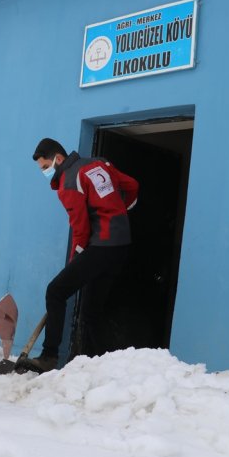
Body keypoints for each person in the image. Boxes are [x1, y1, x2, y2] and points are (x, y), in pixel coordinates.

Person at [28, 138, 139, 373]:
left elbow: (80, 229)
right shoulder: (101, 164)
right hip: (120, 246)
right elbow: (132, 186)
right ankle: (101, 366)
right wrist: (119, 211)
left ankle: (49, 357)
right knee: (91, 311)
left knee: (56, 291)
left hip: (100, 247)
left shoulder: (69, 181)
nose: (45, 172)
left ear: (58, 159)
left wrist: (75, 261)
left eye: (45, 167)